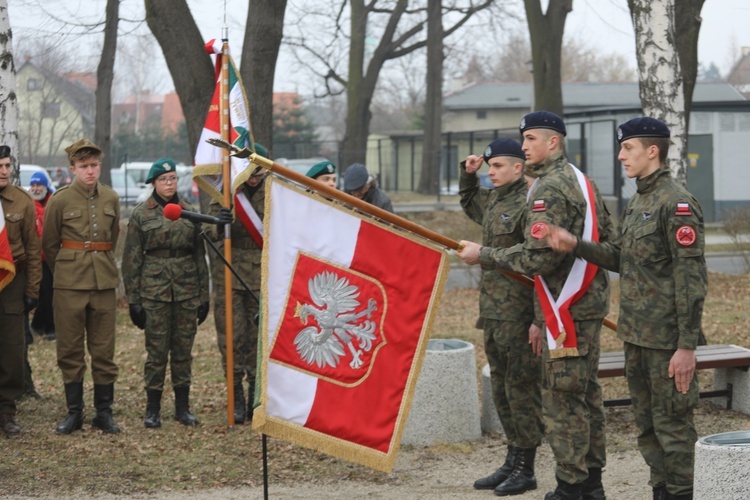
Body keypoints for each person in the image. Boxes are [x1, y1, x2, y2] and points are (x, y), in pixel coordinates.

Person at [457, 111, 615, 500]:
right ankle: (590, 485)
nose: (524, 148)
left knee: (563, 400)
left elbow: (538, 259)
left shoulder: (549, 189)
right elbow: (609, 246)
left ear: (552, 142)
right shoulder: (583, 182)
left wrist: (487, 255)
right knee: (584, 396)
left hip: (565, 308)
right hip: (580, 304)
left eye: (529, 140)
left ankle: (572, 487)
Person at [547, 117, 707, 500]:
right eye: (621, 148)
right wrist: (577, 245)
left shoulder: (676, 203)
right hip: (635, 334)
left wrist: (686, 346)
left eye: (627, 148)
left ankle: (683, 493)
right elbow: (624, 258)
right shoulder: (639, 201)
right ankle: (661, 491)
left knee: (673, 428)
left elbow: (692, 281)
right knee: (648, 427)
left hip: (667, 342)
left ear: (652, 151)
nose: (620, 156)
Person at [459, 138, 543, 496]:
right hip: (494, 313)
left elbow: (538, 264)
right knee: (502, 391)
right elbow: (469, 202)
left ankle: (527, 467)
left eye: (497, 167)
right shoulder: (493, 200)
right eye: (488, 167)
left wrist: (539, 319)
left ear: (518, 168)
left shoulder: (530, 205)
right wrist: (468, 176)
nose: (490, 173)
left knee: (522, 391)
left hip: (521, 315)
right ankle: (512, 459)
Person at [122, 158, 210, 428]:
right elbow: (131, 261)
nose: (169, 183)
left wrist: (204, 297)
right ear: (154, 183)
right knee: (157, 352)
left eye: (172, 178)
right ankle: (153, 410)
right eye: (164, 179)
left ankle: (182, 408)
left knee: (183, 351)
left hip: (186, 291)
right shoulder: (141, 214)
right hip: (154, 292)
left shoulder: (189, 212)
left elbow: (199, 257)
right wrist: (134, 301)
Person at [42, 138, 122, 435]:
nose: (90, 171)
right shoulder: (60, 200)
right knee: (70, 349)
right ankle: (74, 412)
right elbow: (49, 244)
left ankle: (104, 412)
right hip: (69, 284)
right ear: (73, 168)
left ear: (100, 166)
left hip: (103, 282)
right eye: (83, 166)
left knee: (103, 350)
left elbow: (111, 240)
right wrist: (67, 268)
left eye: (94, 166)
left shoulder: (111, 198)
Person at [206, 143, 267, 424]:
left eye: (259, 170)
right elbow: (206, 229)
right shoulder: (227, 191)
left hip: (261, 278)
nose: (254, 176)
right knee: (231, 339)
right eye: (250, 170)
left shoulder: (274, 193)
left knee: (257, 341)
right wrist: (220, 223)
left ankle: (256, 396)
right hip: (228, 276)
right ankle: (236, 398)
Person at [0, 145, 42, 435]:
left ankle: (6, 411)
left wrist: (32, 289)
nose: (4, 171)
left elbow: (34, 248)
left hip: (12, 281)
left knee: (12, 349)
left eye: (6, 165)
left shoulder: (22, 201)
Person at [28, 172, 56, 341]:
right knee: (42, 294)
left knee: (51, 293)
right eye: (33, 185)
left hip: (52, 257)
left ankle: (45, 326)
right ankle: (41, 325)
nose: (36, 188)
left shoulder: (54, 202)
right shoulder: (29, 205)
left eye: (39, 185)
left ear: (45, 187)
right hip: (36, 258)